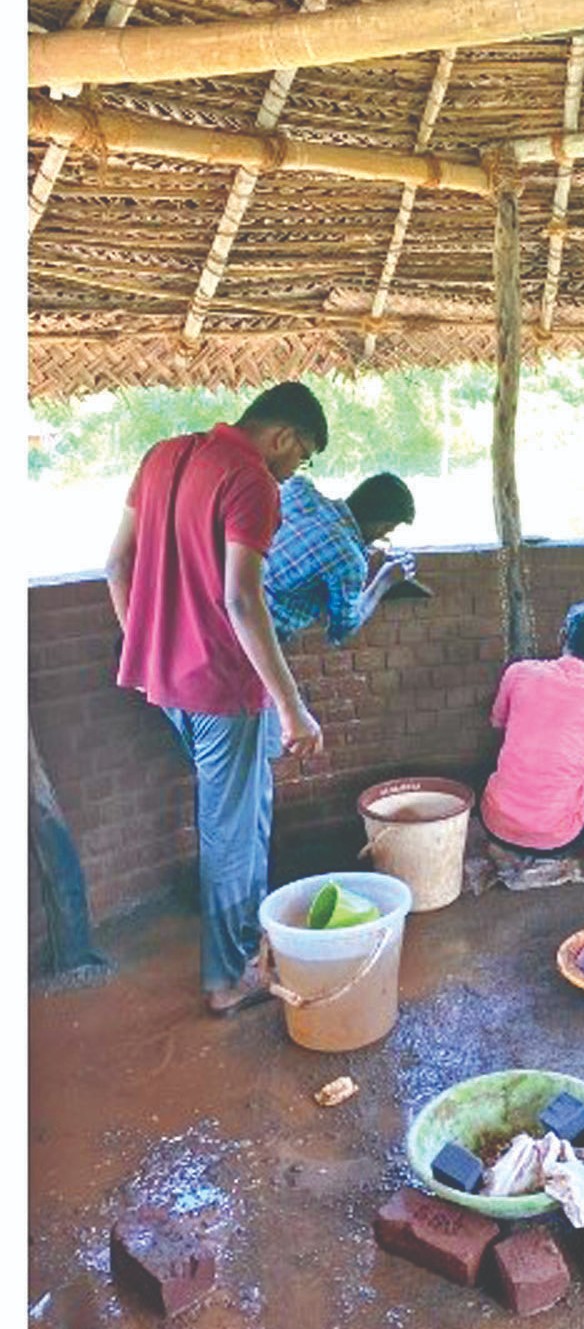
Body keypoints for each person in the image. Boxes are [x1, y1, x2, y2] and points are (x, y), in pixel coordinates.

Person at [104, 381, 330, 1014]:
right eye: (302, 456)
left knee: (232, 818)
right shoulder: (251, 478)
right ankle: (228, 980)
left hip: (168, 680)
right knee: (235, 833)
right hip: (224, 687)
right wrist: (292, 705)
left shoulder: (161, 455)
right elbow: (240, 598)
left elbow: (115, 565)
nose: (294, 473)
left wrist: (146, 647)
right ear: (283, 436)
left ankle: (240, 950)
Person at [480, 602, 584, 878]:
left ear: (561, 635)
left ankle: (507, 848)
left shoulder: (518, 673)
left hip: (495, 824)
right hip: (561, 838)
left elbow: (498, 723)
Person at [263, 471, 416, 644]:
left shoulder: (298, 488)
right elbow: (343, 629)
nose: (383, 535)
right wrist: (385, 580)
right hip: (259, 633)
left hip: (231, 599)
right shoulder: (350, 560)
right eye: (388, 530)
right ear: (382, 526)